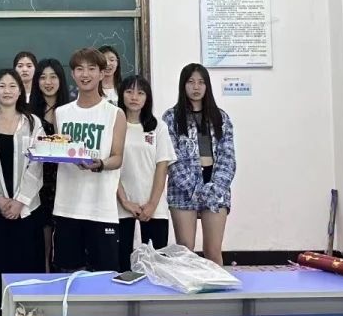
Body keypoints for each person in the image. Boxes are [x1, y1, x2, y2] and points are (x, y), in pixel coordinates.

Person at [0, 69, 44, 316]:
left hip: (26, 208)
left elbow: (38, 163)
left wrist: (20, 201)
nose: (7, 90)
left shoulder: (33, 122)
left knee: (25, 261)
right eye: (2, 85)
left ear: (21, 91)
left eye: (12, 86)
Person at [52, 47, 127, 273]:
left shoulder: (115, 114)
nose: (85, 74)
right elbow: (57, 151)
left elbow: (118, 158)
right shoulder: (61, 113)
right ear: (73, 74)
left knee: (104, 277)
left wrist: (100, 164)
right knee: (68, 275)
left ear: (102, 73)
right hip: (67, 207)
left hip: (101, 208)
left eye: (91, 69)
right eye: (79, 69)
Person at [163, 63, 236, 266]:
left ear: (207, 86)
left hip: (215, 187)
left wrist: (215, 187)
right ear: (183, 85)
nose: (196, 87)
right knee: (185, 248)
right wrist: (194, 188)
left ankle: (217, 287)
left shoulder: (220, 117)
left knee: (213, 250)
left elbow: (228, 157)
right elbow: (172, 158)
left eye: (201, 82)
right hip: (183, 188)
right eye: (191, 82)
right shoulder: (171, 117)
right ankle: (187, 287)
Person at [116, 74, 176, 271]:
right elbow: (111, 166)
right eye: (129, 91)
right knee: (122, 266)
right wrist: (124, 201)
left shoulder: (158, 127)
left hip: (154, 208)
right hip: (120, 207)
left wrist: (152, 204)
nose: (134, 97)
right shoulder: (114, 126)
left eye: (140, 93)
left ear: (147, 98)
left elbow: (162, 167)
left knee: (155, 267)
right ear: (121, 95)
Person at [28, 57, 70, 271]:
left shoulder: (71, 110)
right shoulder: (29, 113)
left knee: (64, 241)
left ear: (61, 80)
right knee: (42, 241)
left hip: (67, 181)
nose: (48, 82)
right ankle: (44, 278)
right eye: (43, 77)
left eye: (53, 77)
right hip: (39, 182)